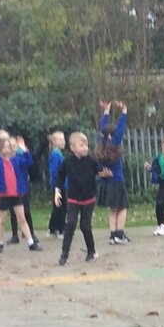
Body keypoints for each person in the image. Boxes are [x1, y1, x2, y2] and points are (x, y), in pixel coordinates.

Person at [54, 132, 110, 266]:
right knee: (71, 224)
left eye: (86, 145)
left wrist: (105, 174)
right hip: (73, 199)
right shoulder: (67, 162)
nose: (85, 147)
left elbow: (100, 171)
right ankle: (64, 254)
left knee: (85, 226)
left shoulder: (91, 160)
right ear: (72, 148)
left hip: (88, 199)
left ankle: (91, 251)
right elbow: (60, 177)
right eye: (81, 145)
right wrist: (57, 191)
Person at [0, 132, 41, 254]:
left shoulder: (17, 159)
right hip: (3, 194)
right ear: (0, 148)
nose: (7, 149)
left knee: (22, 219)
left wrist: (25, 150)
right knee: (2, 220)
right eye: (4, 147)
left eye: (9, 147)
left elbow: (29, 162)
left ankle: (31, 243)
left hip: (16, 194)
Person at [97, 100, 130, 244]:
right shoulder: (115, 143)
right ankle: (119, 234)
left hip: (107, 183)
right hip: (117, 181)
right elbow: (121, 128)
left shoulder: (101, 144)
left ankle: (112, 235)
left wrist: (106, 112)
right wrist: (124, 112)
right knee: (122, 208)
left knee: (112, 209)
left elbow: (102, 128)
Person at [46, 130, 68, 238]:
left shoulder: (58, 153)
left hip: (62, 184)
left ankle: (53, 228)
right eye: (61, 139)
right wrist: (58, 185)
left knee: (58, 207)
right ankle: (61, 229)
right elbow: (54, 171)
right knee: (61, 207)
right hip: (59, 185)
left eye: (63, 139)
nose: (63, 141)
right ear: (54, 142)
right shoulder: (55, 154)